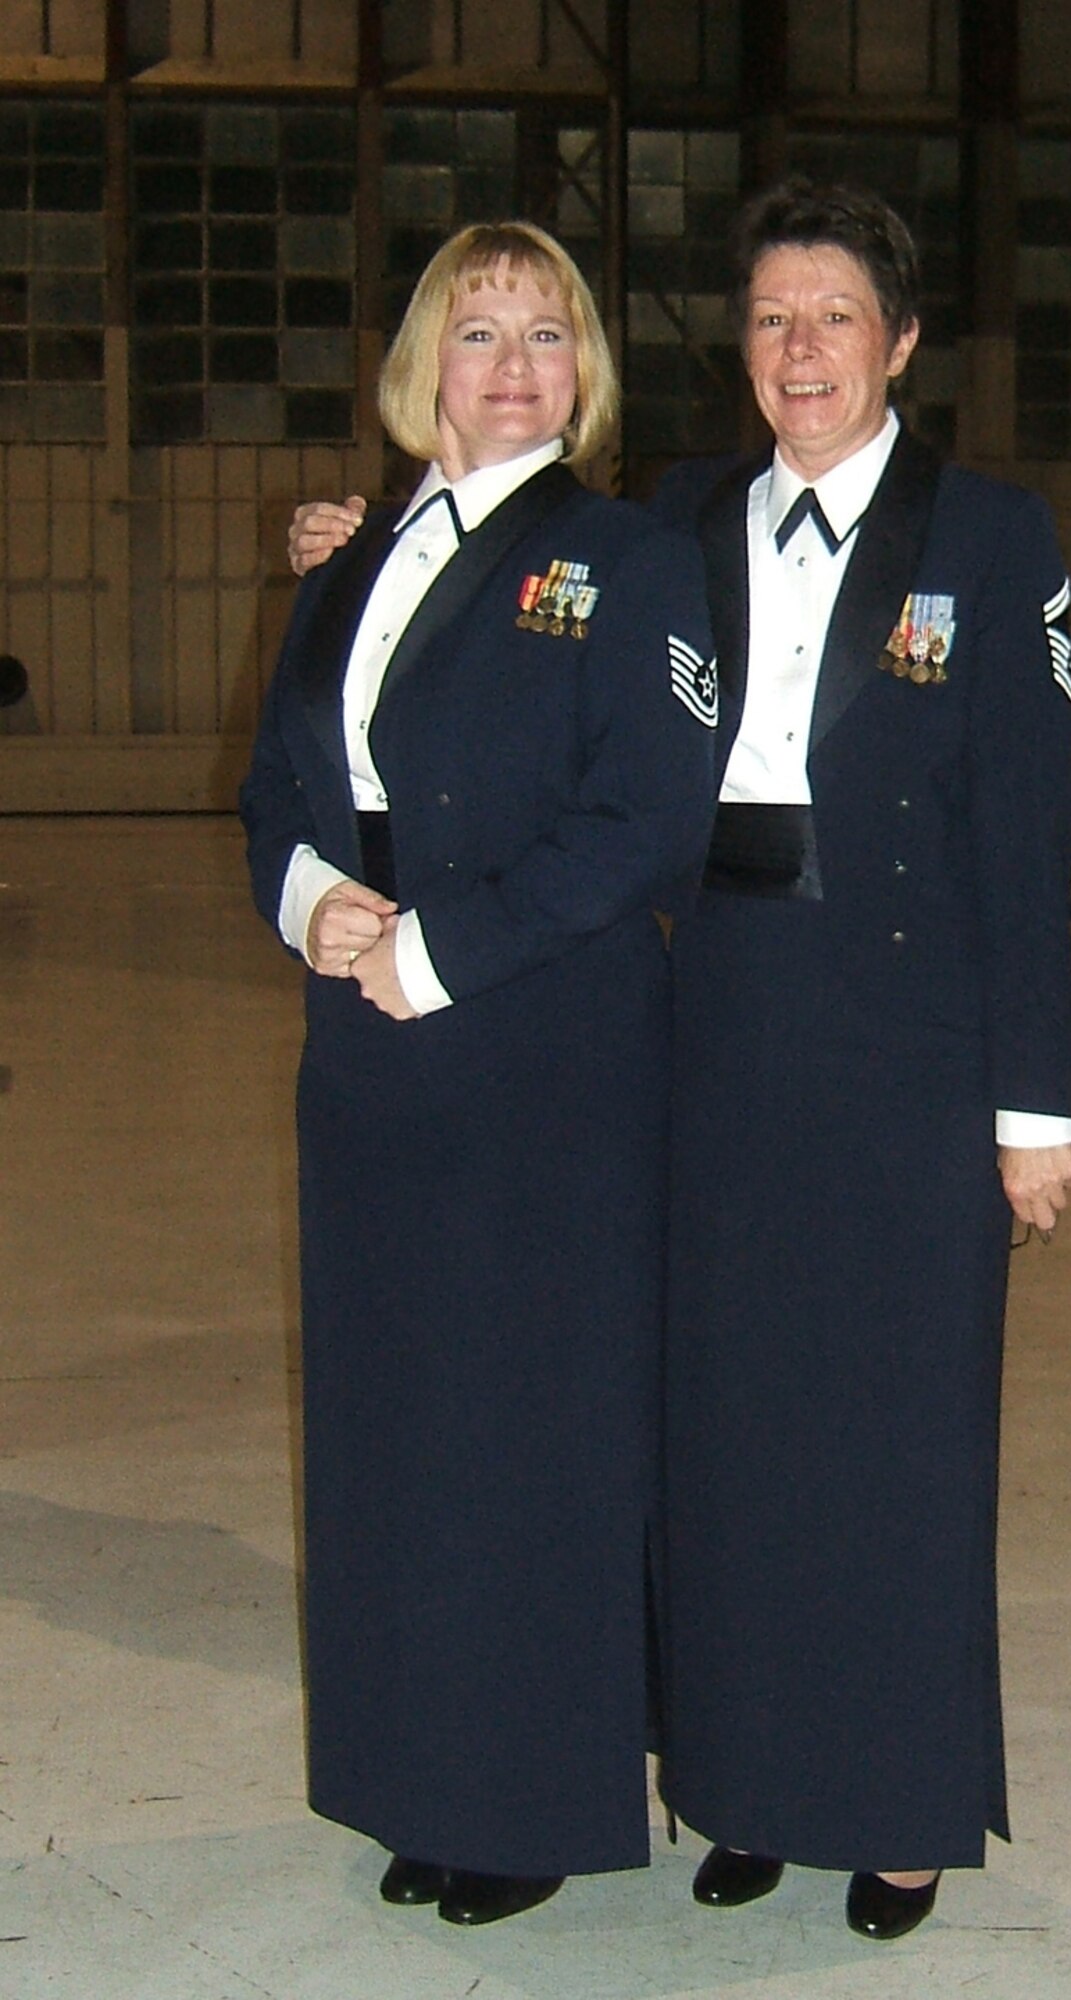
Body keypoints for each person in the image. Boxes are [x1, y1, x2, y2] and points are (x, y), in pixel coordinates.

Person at [285, 178, 1071, 1946]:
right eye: (774, 320)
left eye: (837, 321)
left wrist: (1035, 1109)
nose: (802, 352)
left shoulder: (994, 534)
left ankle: (895, 1810)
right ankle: (746, 1785)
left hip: (907, 1036)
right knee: (723, 1438)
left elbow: (1024, 841)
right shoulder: (682, 517)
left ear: (902, 344)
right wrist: (360, 547)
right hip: (715, 1019)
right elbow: (497, 577)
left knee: (896, 1433)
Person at [241, 221, 718, 1928]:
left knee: (531, 1431)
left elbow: (647, 817)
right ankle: (412, 1775)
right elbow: (280, 789)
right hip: (362, 1050)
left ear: (585, 373)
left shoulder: (629, 557)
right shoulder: (350, 560)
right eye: (476, 334)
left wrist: (434, 953)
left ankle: (523, 1800)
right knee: (394, 1430)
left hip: (541, 1045)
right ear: (419, 372)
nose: (512, 367)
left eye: (545, 336)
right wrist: (310, 905)